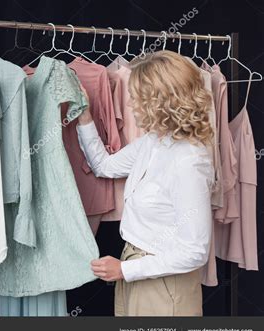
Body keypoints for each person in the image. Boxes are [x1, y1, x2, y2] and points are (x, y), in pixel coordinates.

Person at [77, 50, 215, 316]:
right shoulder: (153, 142)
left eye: (138, 98)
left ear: (160, 102)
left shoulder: (189, 161)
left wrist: (125, 270)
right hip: (136, 273)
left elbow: (196, 251)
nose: (131, 105)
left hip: (163, 285)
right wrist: (84, 115)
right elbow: (104, 166)